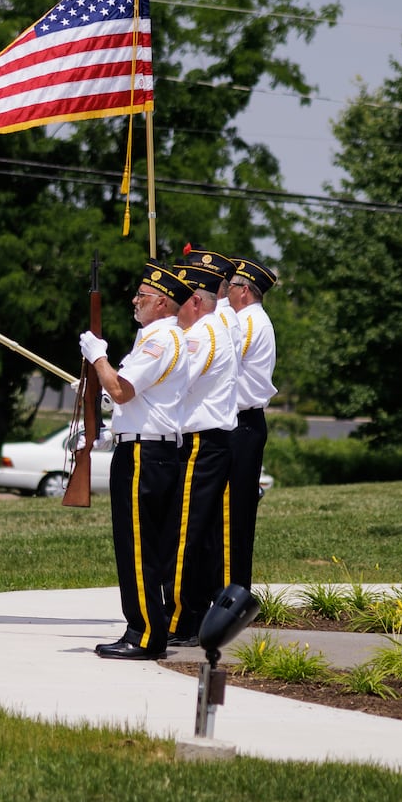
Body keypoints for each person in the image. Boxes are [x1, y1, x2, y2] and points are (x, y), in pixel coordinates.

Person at [78, 260, 198, 661]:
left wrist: (98, 355)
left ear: (162, 303)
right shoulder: (165, 337)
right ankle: (149, 629)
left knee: (138, 547)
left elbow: (121, 389)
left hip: (144, 454)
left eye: (143, 296)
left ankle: (144, 634)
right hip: (153, 450)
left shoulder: (158, 340)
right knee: (149, 547)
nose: (135, 300)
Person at [165, 251, 239, 647]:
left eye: (180, 296)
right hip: (208, 442)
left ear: (196, 300)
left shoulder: (201, 335)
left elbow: (173, 382)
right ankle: (190, 614)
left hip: (200, 443)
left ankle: (179, 618)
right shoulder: (213, 328)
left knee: (184, 533)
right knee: (199, 535)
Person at [223, 256, 279, 591]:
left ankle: (232, 594)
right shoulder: (246, 320)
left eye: (229, 287)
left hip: (241, 425)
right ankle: (229, 591)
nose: (226, 293)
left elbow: (222, 369)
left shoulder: (248, 324)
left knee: (233, 518)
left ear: (244, 291)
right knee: (228, 516)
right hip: (240, 424)